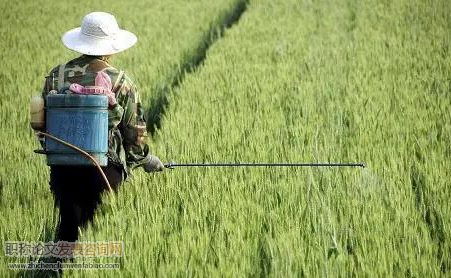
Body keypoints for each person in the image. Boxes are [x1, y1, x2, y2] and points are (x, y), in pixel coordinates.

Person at [40, 12, 164, 243]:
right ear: (110, 47)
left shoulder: (56, 76)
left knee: (69, 232)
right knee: (101, 237)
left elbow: (42, 122)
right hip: (104, 168)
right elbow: (134, 132)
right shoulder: (121, 81)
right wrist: (145, 160)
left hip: (63, 169)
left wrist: (59, 151)